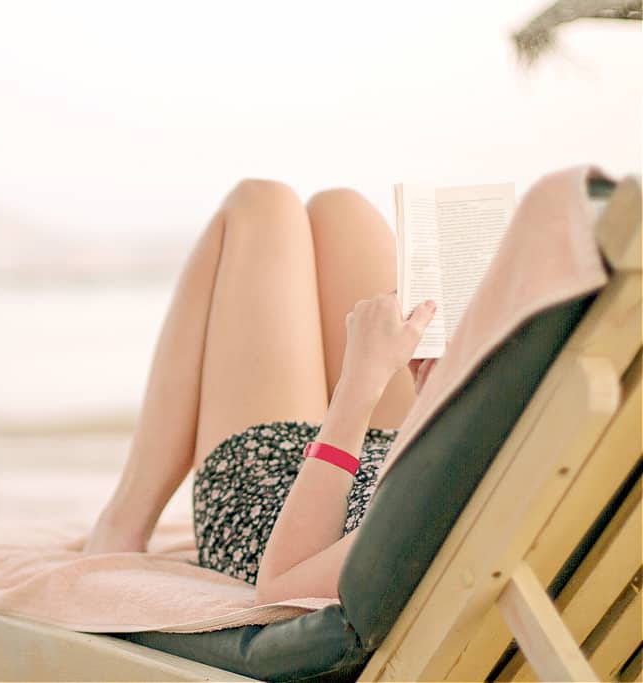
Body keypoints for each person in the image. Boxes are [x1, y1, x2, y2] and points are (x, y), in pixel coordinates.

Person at [81, 179, 440, 605]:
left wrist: (360, 380)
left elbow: (283, 583)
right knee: (341, 208)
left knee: (260, 203)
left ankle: (124, 521)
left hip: (274, 500)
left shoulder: (443, 524)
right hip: (397, 456)